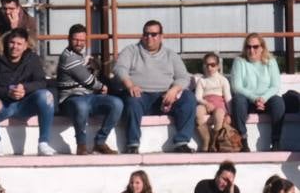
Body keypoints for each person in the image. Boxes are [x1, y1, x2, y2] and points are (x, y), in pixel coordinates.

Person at [113, 20, 196, 155]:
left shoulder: (171, 55)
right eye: (146, 34)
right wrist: (130, 85)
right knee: (132, 101)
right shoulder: (131, 51)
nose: (149, 37)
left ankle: (182, 142)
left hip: (166, 96)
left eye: (153, 34)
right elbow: (119, 69)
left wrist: (174, 90)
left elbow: (183, 77)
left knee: (189, 98)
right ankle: (132, 144)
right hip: (140, 96)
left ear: (161, 36)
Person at [0, 28, 57, 156]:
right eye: (12, 43)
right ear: (6, 42)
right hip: (3, 104)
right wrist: (8, 91)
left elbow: (41, 82)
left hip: (25, 104)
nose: (15, 47)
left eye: (19, 44)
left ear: (25, 45)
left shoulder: (32, 58)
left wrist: (24, 88)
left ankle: (43, 142)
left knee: (46, 96)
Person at [55, 23, 122, 155]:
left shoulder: (81, 55)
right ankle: (81, 144)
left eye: (82, 40)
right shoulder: (68, 57)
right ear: (68, 39)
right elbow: (88, 80)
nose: (79, 43)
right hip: (70, 99)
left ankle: (100, 142)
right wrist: (102, 86)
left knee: (117, 103)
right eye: (76, 39)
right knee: (82, 106)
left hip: (89, 97)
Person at [230, 33, 287, 152]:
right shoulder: (239, 61)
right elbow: (237, 87)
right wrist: (255, 98)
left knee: (278, 101)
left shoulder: (270, 61)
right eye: (248, 47)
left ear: (262, 47)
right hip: (247, 100)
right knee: (238, 100)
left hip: (265, 100)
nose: (252, 50)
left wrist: (263, 99)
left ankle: (276, 141)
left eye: (255, 46)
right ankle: (243, 140)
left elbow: (275, 86)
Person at [194, 52, 233, 149]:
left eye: (213, 65)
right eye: (207, 65)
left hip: (219, 104)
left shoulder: (222, 80)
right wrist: (206, 103)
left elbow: (228, 98)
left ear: (218, 66)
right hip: (205, 103)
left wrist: (229, 114)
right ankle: (206, 139)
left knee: (219, 115)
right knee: (197, 111)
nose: (210, 68)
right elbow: (197, 97)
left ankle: (214, 141)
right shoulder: (202, 80)